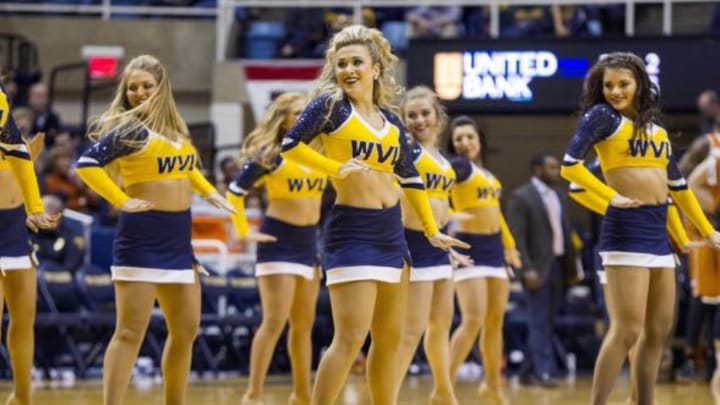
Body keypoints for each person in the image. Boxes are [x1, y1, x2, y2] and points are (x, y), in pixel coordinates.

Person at [280, 25, 467, 405]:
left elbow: (410, 177)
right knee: (349, 340)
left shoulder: (392, 122)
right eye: (341, 63)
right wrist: (332, 168)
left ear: (376, 68)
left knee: (391, 338)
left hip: (391, 237)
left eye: (357, 63)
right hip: (352, 232)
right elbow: (290, 145)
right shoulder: (331, 107)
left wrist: (431, 230)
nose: (349, 70)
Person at [560, 52, 720, 405]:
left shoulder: (658, 132)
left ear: (640, 86)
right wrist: (609, 197)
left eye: (623, 84)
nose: (615, 91)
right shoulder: (601, 117)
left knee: (656, 334)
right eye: (609, 85)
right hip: (625, 231)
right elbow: (570, 168)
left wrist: (706, 232)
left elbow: (677, 188)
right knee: (627, 330)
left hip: (658, 234)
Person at [74, 54, 233, 405]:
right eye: (132, 87)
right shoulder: (130, 130)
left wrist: (209, 192)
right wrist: (119, 199)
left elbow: (188, 168)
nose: (139, 92)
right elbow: (86, 164)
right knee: (130, 331)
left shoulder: (177, 131)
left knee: (186, 330)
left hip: (178, 240)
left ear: (162, 87)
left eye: (147, 85)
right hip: (142, 236)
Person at [569, 158, 700, 404]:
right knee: (628, 329)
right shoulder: (607, 154)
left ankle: (636, 397)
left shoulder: (654, 153)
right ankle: (620, 397)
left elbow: (669, 200)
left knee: (653, 331)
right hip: (619, 246)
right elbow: (576, 188)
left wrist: (681, 238)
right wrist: (614, 209)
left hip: (656, 247)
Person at [226, 92, 324, 405]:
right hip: (278, 243)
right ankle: (253, 394)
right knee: (274, 321)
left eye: (305, 113)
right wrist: (244, 231)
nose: (302, 118)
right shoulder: (272, 154)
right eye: (296, 113)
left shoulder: (320, 152)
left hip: (309, 244)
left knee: (303, 327)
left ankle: (302, 394)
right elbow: (234, 191)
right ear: (283, 120)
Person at [445, 116, 521, 403]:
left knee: (494, 322)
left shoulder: (486, 174)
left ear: (479, 140)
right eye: (459, 138)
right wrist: (450, 216)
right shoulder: (459, 167)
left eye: (470, 137)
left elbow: (496, 213)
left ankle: (492, 386)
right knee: (473, 319)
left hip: (494, 250)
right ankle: (444, 384)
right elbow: (430, 190)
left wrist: (510, 246)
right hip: (469, 248)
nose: (465, 143)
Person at [392, 86, 461, 405]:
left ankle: (444, 393)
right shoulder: (406, 150)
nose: (419, 120)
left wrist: (451, 247)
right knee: (411, 330)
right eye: (412, 115)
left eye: (425, 113)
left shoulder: (443, 160)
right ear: (404, 120)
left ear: (438, 116)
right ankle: (385, 396)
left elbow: (443, 205)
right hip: (413, 244)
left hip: (439, 248)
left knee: (440, 326)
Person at [0, 81, 58, 405]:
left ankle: (23, 397)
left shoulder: (6, 121)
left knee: (24, 318)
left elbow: (17, 169)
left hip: (14, 227)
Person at [507, 153, 578, 388]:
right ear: (537, 169)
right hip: (536, 269)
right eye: (551, 167)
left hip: (559, 266)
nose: (557, 171)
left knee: (546, 322)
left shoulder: (559, 195)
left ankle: (527, 371)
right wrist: (525, 269)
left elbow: (565, 233)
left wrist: (573, 268)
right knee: (539, 321)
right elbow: (517, 238)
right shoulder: (521, 196)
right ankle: (544, 372)